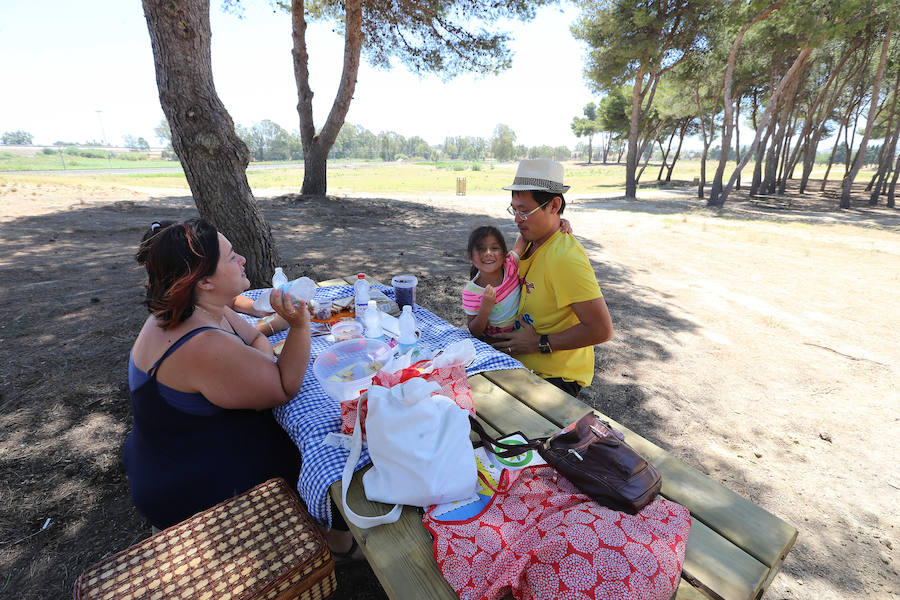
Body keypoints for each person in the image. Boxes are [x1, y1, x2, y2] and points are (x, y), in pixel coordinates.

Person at [123, 219, 362, 560]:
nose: (243, 260)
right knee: (326, 449)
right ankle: (337, 541)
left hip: (175, 446)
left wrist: (260, 353)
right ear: (204, 280)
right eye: (232, 256)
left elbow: (254, 337)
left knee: (304, 427)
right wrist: (298, 325)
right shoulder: (201, 341)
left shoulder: (197, 309)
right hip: (183, 480)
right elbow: (284, 385)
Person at [490, 159, 613, 397]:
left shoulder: (565, 257)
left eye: (524, 211)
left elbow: (601, 329)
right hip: (521, 365)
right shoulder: (530, 240)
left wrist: (538, 343)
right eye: (514, 209)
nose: (516, 219)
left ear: (554, 205)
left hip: (552, 378)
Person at [462, 221, 573, 339]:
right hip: (495, 345)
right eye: (480, 249)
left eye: (494, 248)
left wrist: (554, 223)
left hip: (522, 338)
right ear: (470, 257)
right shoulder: (471, 292)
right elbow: (474, 331)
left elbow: (525, 237)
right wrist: (485, 308)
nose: (488, 253)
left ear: (504, 253)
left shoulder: (510, 265)